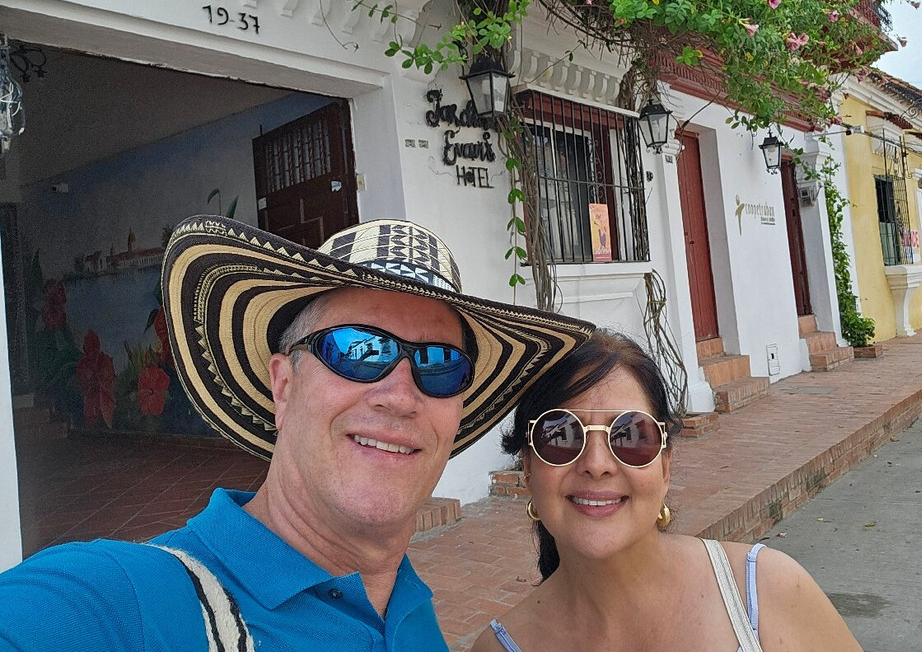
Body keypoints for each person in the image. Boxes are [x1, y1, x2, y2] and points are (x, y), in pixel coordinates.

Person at [0, 215, 592, 651]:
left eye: (439, 364)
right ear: (283, 386)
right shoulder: (123, 602)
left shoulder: (410, 608)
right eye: (358, 349)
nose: (399, 395)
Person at [472, 330, 863, 652]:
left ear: (664, 466)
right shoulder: (500, 647)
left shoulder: (765, 591)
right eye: (562, 434)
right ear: (528, 468)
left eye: (630, 434)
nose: (597, 463)